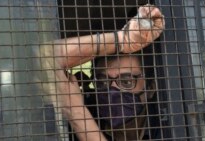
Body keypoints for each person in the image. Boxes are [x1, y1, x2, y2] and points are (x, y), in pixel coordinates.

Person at [40, 4, 165, 141]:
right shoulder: (90, 115)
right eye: (102, 82)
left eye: (126, 82)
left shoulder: (170, 126)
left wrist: (76, 113)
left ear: (150, 88)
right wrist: (122, 40)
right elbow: (45, 56)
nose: (112, 91)